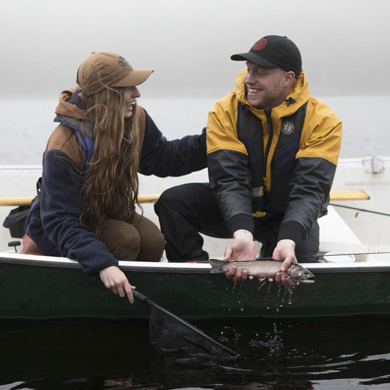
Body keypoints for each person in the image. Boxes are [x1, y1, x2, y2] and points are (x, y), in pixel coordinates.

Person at [155, 35, 342, 286]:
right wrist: (242, 231)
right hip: (236, 213)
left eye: (261, 73)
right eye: (248, 70)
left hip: (285, 218)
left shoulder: (323, 121)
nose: (249, 80)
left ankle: (274, 260)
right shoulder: (225, 111)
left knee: (300, 276)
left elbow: (310, 191)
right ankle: (198, 277)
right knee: (172, 202)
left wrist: (290, 238)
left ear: (288, 78)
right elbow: (229, 180)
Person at [21, 51, 206, 303]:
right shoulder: (63, 146)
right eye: (127, 87)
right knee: (125, 240)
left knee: (153, 241)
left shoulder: (135, 118)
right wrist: (103, 264)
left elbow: (163, 157)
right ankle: (103, 299)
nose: (137, 94)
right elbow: (59, 221)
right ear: (105, 93)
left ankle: (131, 298)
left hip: (108, 211)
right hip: (65, 228)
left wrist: (213, 141)